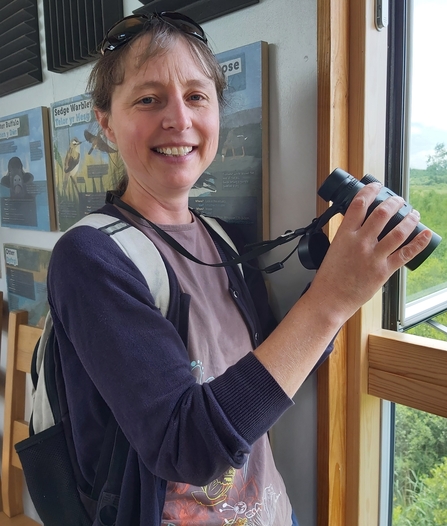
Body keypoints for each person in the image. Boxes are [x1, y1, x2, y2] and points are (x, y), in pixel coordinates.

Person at [46, 11, 432, 526]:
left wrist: (337, 278)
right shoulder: (91, 257)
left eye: (197, 97)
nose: (179, 119)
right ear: (106, 124)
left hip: (273, 512)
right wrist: (331, 300)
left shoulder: (222, 237)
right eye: (148, 98)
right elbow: (186, 448)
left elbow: (276, 368)